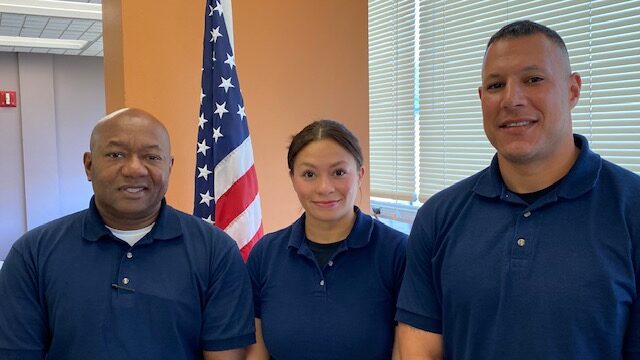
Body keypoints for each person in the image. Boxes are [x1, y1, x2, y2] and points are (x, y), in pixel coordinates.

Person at [396, 20, 640, 359]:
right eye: (496, 85)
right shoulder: (438, 217)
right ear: (482, 98)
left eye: (534, 79)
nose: (512, 99)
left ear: (573, 90)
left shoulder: (631, 209)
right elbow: (417, 352)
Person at [0, 108, 255, 360]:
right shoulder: (32, 254)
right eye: (116, 154)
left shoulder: (215, 250)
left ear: (169, 166)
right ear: (89, 166)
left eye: (152, 157)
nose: (135, 169)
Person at [246, 120, 407, 360]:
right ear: (292, 178)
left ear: (360, 174)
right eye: (309, 174)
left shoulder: (399, 252)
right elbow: (256, 353)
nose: (324, 187)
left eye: (339, 172)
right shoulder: (265, 255)